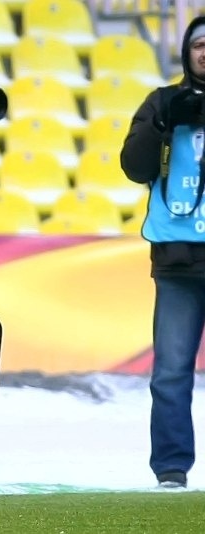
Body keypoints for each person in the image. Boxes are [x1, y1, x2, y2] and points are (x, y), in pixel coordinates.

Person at [120, 15, 205, 489]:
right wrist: (162, 122)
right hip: (176, 260)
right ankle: (171, 470)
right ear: (186, 52)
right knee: (171, 373)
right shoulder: (161, 101)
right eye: (199, 44)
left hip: (179, 259)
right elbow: (133, 167)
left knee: (171, 372)